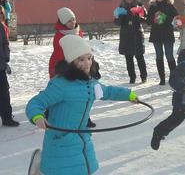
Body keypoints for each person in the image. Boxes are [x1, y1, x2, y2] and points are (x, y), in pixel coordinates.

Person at [26, 35, 139, 175]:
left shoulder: (90, 84)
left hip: (82, 137)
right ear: (71, 62)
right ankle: (38, 168)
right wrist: (37, 116)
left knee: (85, 168)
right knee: (60, 170)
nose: (87, 63)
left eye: (89, 58)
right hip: (61, 140)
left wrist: (128, 95)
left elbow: (108, 91)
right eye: (81, 59)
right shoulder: (61, 85)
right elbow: (36, 102)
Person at [48, 7, 97, 127]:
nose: (73, 23)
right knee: (60, 91)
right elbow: (61, 55)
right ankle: (49, 111)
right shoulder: (59, 36)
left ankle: (85, 118)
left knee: (82, 92)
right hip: (62, 66)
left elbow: (83, 49)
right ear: (63, 22)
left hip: (78, 64)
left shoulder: (78, 31)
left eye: (74, 19)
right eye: (69, 21)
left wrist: (91, 63)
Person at [114, 0, 147, 84]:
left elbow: (145, 18)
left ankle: (143, 76)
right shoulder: (120, 8)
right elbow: (116, 21)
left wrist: (138, 17)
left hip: (137, 34)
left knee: (139, 56)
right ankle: (132, 77)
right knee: (128, 58)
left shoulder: (139, 6)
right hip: (126, 35)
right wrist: (120, 19)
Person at [146, 0, 178, 85]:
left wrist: (164, 17)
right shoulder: (153, 6)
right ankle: (162, 79)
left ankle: (174, 78)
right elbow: (148, 21)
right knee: (159, 56)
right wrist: (154, 18)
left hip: (167, 33)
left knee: (169, 56)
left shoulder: (169, 5)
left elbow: (176, 17)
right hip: (156, 34)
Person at [0, 6, 19, 127]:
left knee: (4, 93)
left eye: (1, 14)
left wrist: (6, 59)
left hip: (0, 66)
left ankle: (7, 118)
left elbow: (5, 44)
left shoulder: (1, 27)